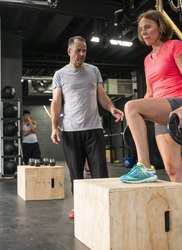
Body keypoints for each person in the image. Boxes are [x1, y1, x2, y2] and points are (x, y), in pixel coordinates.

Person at [119, 10, 182, 236]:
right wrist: (136, 119)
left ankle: (145, 167)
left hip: (180, 104)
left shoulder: (175, 46)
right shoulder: (147, 60)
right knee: (173, 170)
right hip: (162, 110)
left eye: (148, 27)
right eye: (141, 29)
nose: (144, 32)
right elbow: (150, 93)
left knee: (130, 105)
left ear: (160, 27)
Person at [50, 35, 124, 218]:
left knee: (100, 171)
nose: (82, 54)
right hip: (70, 131)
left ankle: (102, 207)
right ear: (69, 51)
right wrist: (54, 126)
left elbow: (101, 96)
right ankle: (81, 206)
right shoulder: (60, 75)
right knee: (76, 173)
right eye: (78, 50)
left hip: (94, 129)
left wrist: (112, 108)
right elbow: (56, 102)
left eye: (84, 50)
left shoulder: (94, 71)